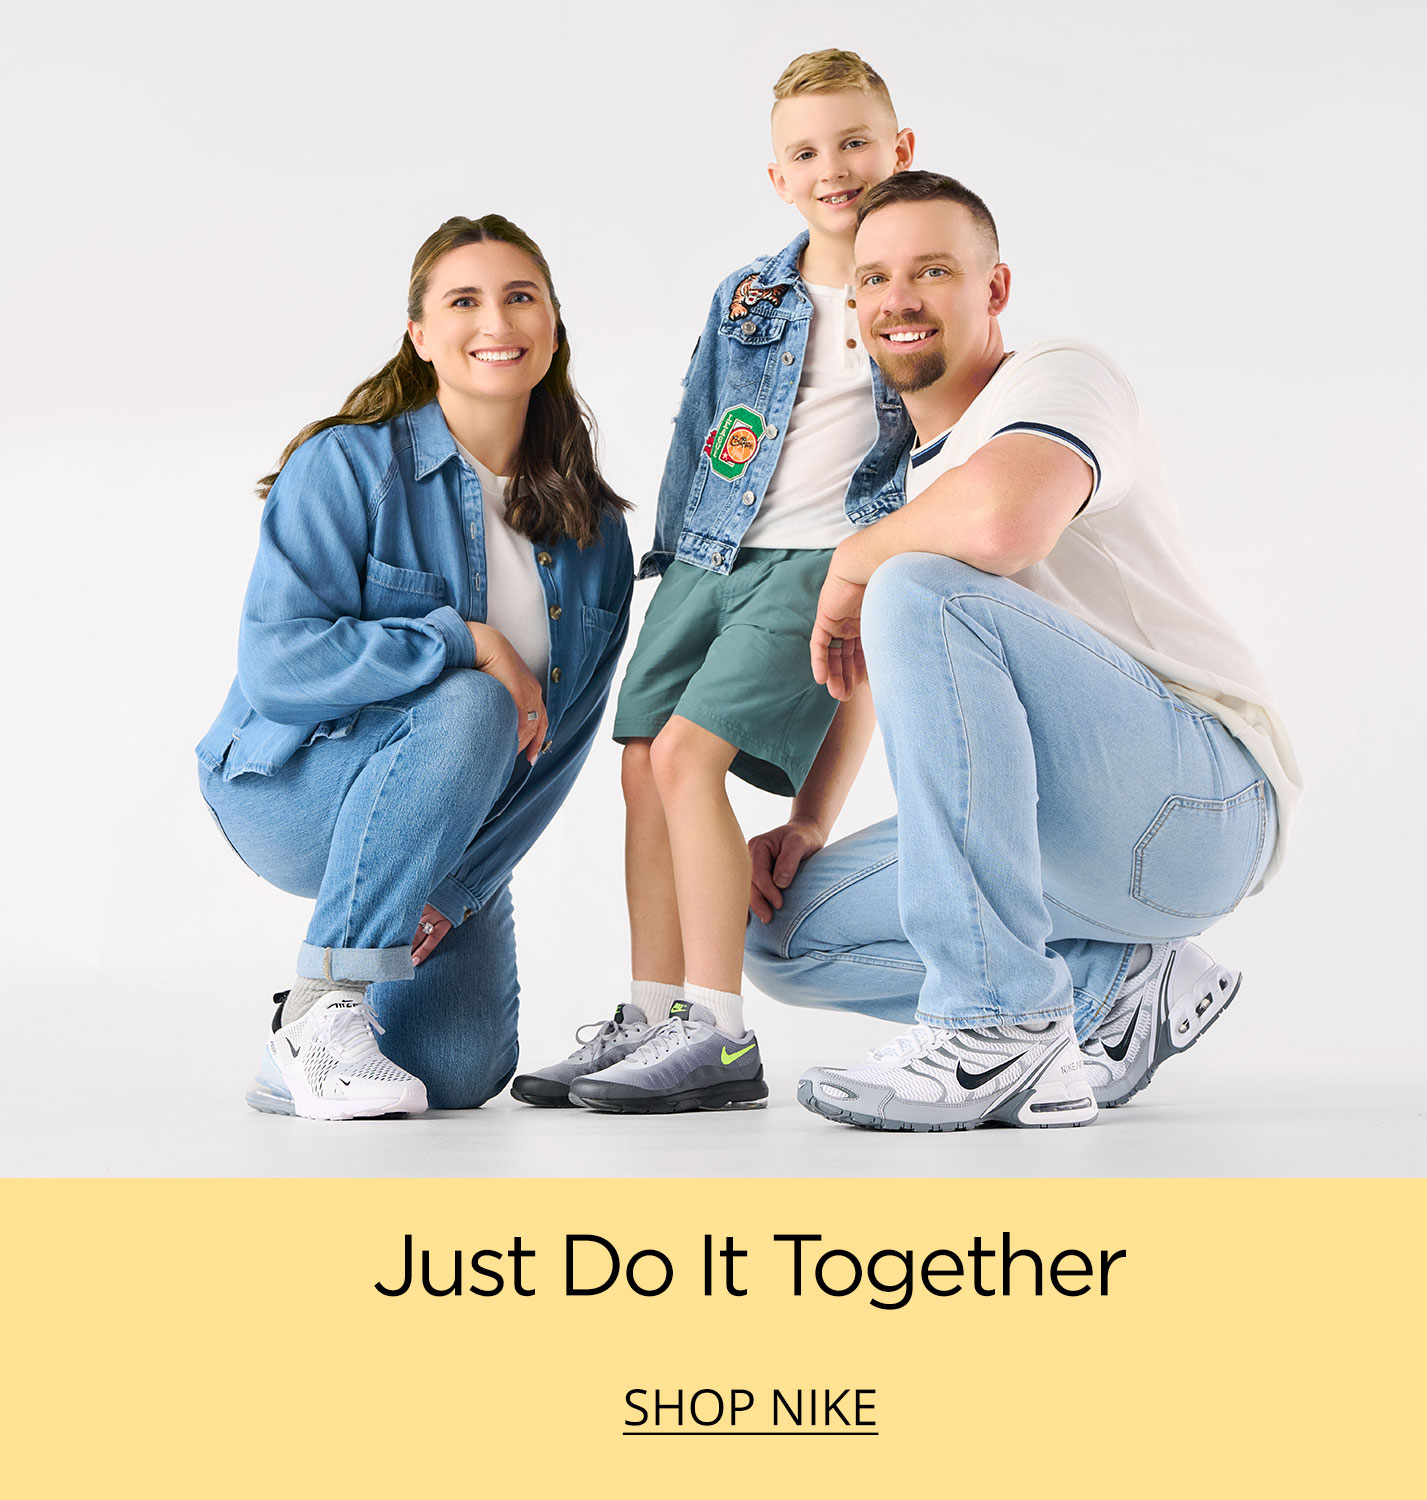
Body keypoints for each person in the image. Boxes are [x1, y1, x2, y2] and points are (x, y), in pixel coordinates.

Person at [743, 171, 1301, 1131]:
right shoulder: (897, 492)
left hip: (1199, 802)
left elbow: (1003, 523)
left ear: (993, 289)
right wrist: (808, 820)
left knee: (914, 584)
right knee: (775, 934)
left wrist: (854, 564)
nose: (898, 299)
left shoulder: (1057, 376)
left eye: (931, 271)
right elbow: (890, 666)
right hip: (1060, 840)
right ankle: (1117, 985)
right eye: (873, 279)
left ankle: (996, 1023)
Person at [509, 49, 914, 1113]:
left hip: (819, 560)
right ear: (778, 177)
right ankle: (650, 1015)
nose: (833, 168)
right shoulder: (747, 296)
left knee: (692, 758)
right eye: (805, 153)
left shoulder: (912, 291)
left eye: (854, 143)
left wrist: (889, 565)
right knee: (644, 765)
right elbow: (699, 429)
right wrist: (678, 558)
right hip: (710, 553)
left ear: (899, 149)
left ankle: (718, 1034)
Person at [196, 215, 632, 1121]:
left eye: (520, 297)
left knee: (456, 1074)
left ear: (553, 327)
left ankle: (294, 1054)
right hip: (291, 786)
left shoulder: (592, 533)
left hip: (448, 829)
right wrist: (465, 639)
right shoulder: (348, 464)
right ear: (420, 335)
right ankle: (323, 1007)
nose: (495, 322)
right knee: (474, 700)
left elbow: (562, 743)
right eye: (463, 301)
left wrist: (459, 886)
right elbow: (279, 664)